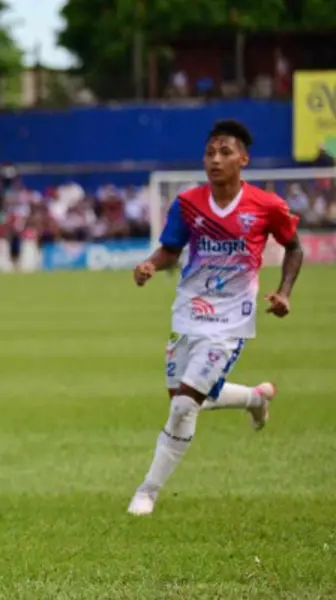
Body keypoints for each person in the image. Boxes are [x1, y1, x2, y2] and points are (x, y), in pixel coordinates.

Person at [127, 119, 304, 516]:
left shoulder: (266, 206)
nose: (216, 159)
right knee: (185, 400)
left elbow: (294, 247)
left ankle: (146, 492)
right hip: (188, 312)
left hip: (231, 320)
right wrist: (150, 265)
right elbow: (170, 249)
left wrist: (285, 293)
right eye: (210, 152)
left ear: (243, 159)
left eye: (225, 152)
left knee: (183, 407)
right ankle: (254, 398)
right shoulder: (188, 204)